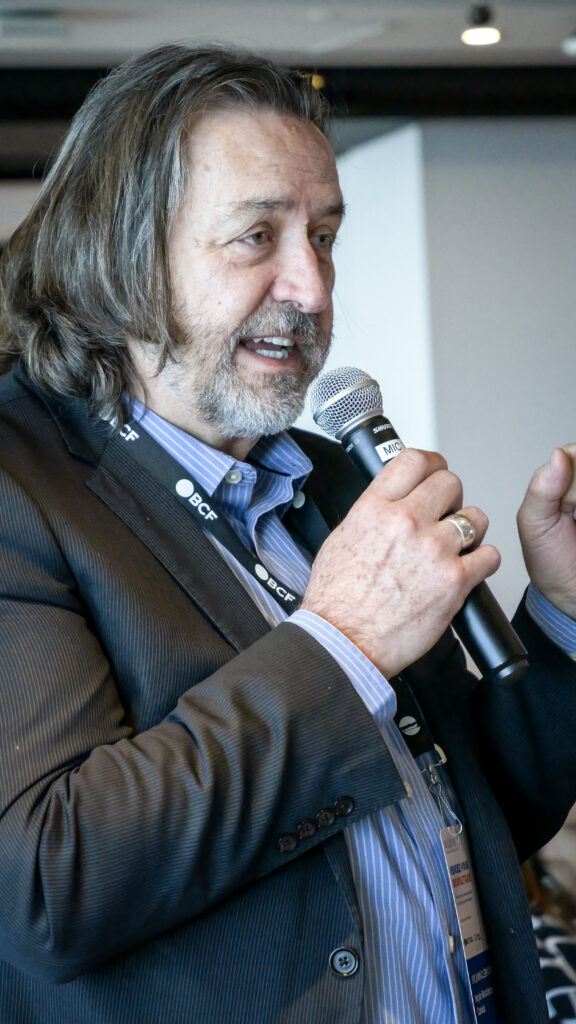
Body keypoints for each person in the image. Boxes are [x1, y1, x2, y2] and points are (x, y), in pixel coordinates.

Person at [0, 43, 574, 1024]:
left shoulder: (332, 474)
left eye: (325, 236)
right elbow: (50, 884)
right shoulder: (22, 485)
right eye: (256, 236)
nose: (311, 289)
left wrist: (561, 614)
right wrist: (342, 642)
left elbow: (479, 814)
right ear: (121, 253)